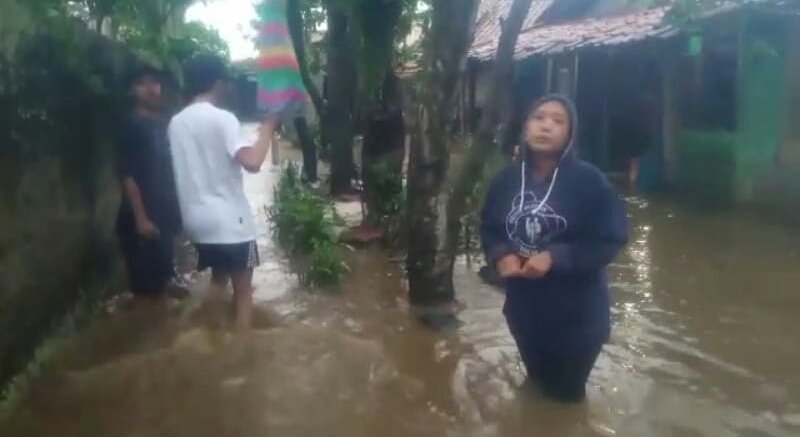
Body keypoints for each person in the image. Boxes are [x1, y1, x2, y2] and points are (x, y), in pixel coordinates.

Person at [480, 94, 628, 403]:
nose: (546, 126)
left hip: (577, 317)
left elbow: (610, 239)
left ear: (570, 134)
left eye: (558, 121)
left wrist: (556, 257)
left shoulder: (590, 182)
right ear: (525, 127)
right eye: (539, 118)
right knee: (536, 385)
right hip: (524, 311)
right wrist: (501, 254)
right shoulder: (506, 181)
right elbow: (490, 228)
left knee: (566, 399)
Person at [168, 55, 278, 330]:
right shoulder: (223, 118)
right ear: (218, 84)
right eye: (227, 82)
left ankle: (201, 330)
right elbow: (253, 162)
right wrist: (268, 126)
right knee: (243, 295)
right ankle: (239, 349)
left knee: (219, 279)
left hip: (196, 223)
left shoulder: (176, 123)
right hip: (231, 223)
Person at [116, 64, 187, 301]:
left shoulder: (165, 122)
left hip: (164, 217)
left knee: (165, 284)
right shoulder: (131, 126)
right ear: (132, 90)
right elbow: (127, 175)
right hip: (141, 220)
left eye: (154, 82)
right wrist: (141, 219)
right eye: (141, 84)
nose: (150, 89)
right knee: (147, 296)